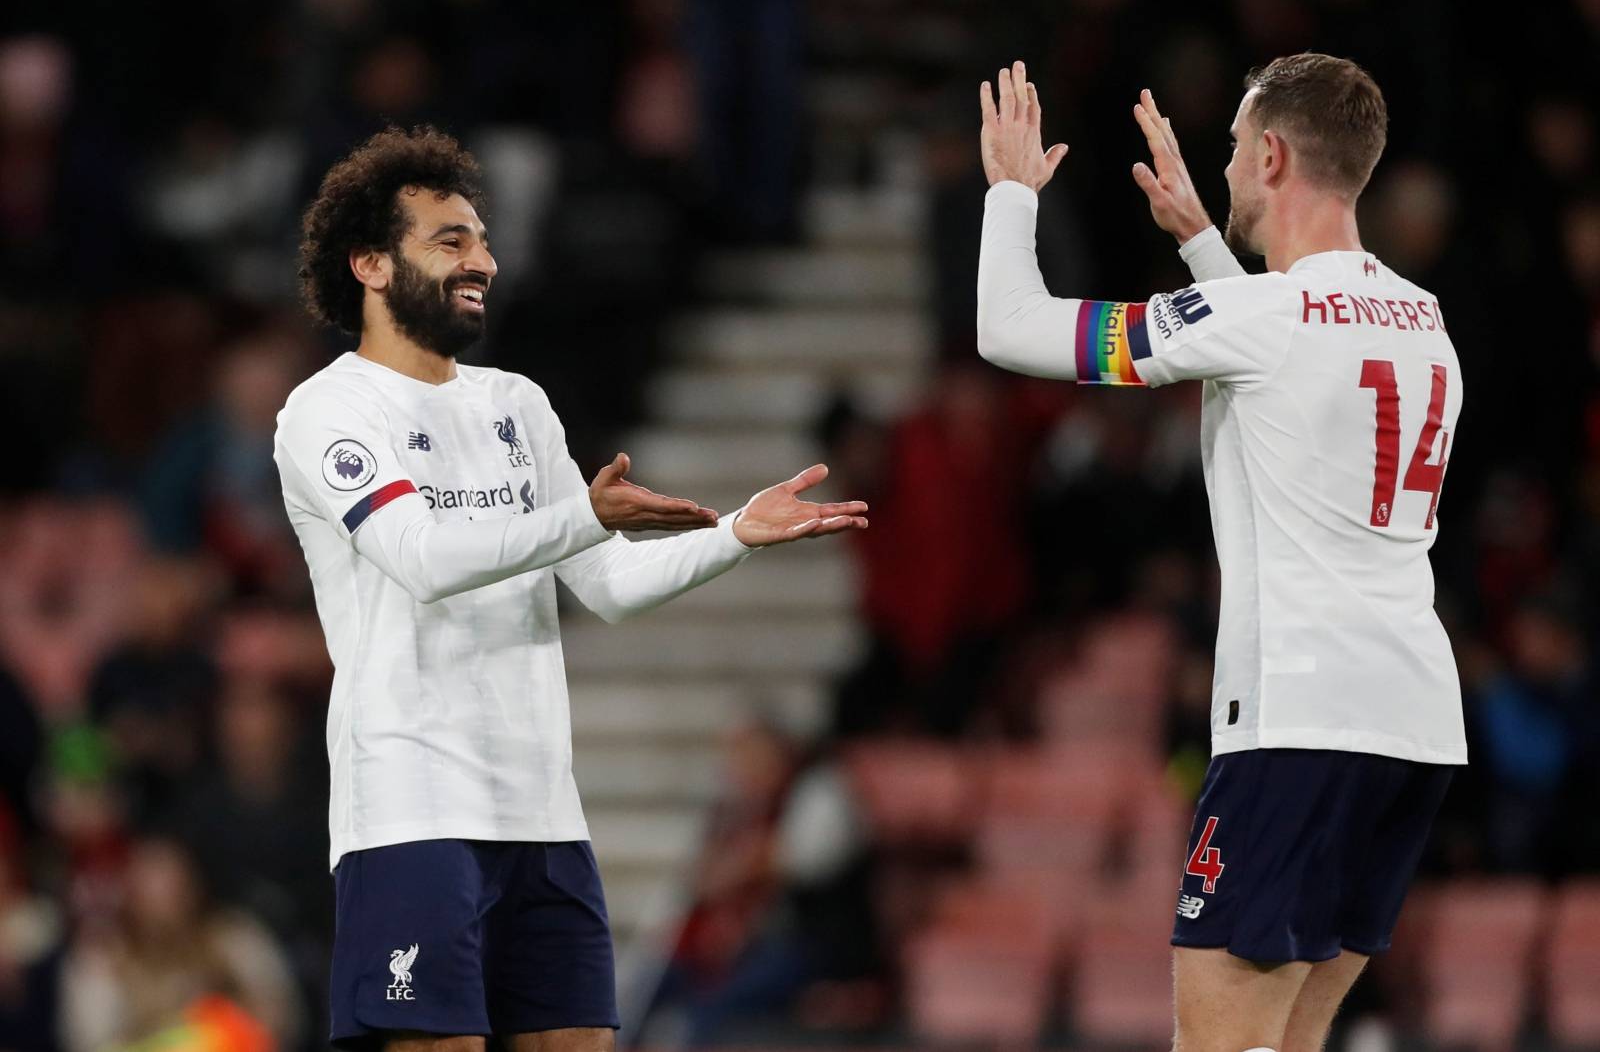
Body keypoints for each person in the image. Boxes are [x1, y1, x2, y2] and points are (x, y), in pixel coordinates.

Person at [276, 125, 868, 1050]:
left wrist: (734, 535)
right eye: (451, 241)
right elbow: (424, 557)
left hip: (544, 813)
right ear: (371, 264)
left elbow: (607, 586)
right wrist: (584, 516)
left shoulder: (517, 403)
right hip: (410, 814)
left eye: (482, 239)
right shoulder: (327, 412)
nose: (485, 260)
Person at [975, 56, 1464, 1052]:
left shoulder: (1261, 319)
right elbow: (1282, 374)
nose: (1229, 167)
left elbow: (1008, 329)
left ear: (1274, 155)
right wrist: (1203, 241)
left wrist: (1011, 193)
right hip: (1410, 728)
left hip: (1295, 722)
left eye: (1238, 150)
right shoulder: (1424, 319)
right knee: (1286, 1044)